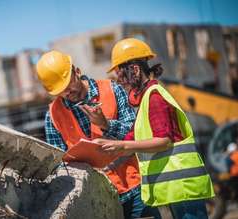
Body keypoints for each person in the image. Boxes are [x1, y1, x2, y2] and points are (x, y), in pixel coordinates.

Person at [94, 38, 215, 219]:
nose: (119, 81)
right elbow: (131, 139)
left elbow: (163, 141)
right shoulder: (145, 100)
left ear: (134, 69)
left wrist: (122, 147)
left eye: (121, 74)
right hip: (175, 189)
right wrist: (107, 163)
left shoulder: (154, 97)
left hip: (183, 187)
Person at [36, 50, 161, 218]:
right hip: (96, 201)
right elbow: (59, 165)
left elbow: (137, 134)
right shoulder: (53, 115)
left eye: (69, 84)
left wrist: (106, 124)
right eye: (61, 90)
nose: (67, 92)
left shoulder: (111, 89)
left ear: (77, 71)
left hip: (134, 190)